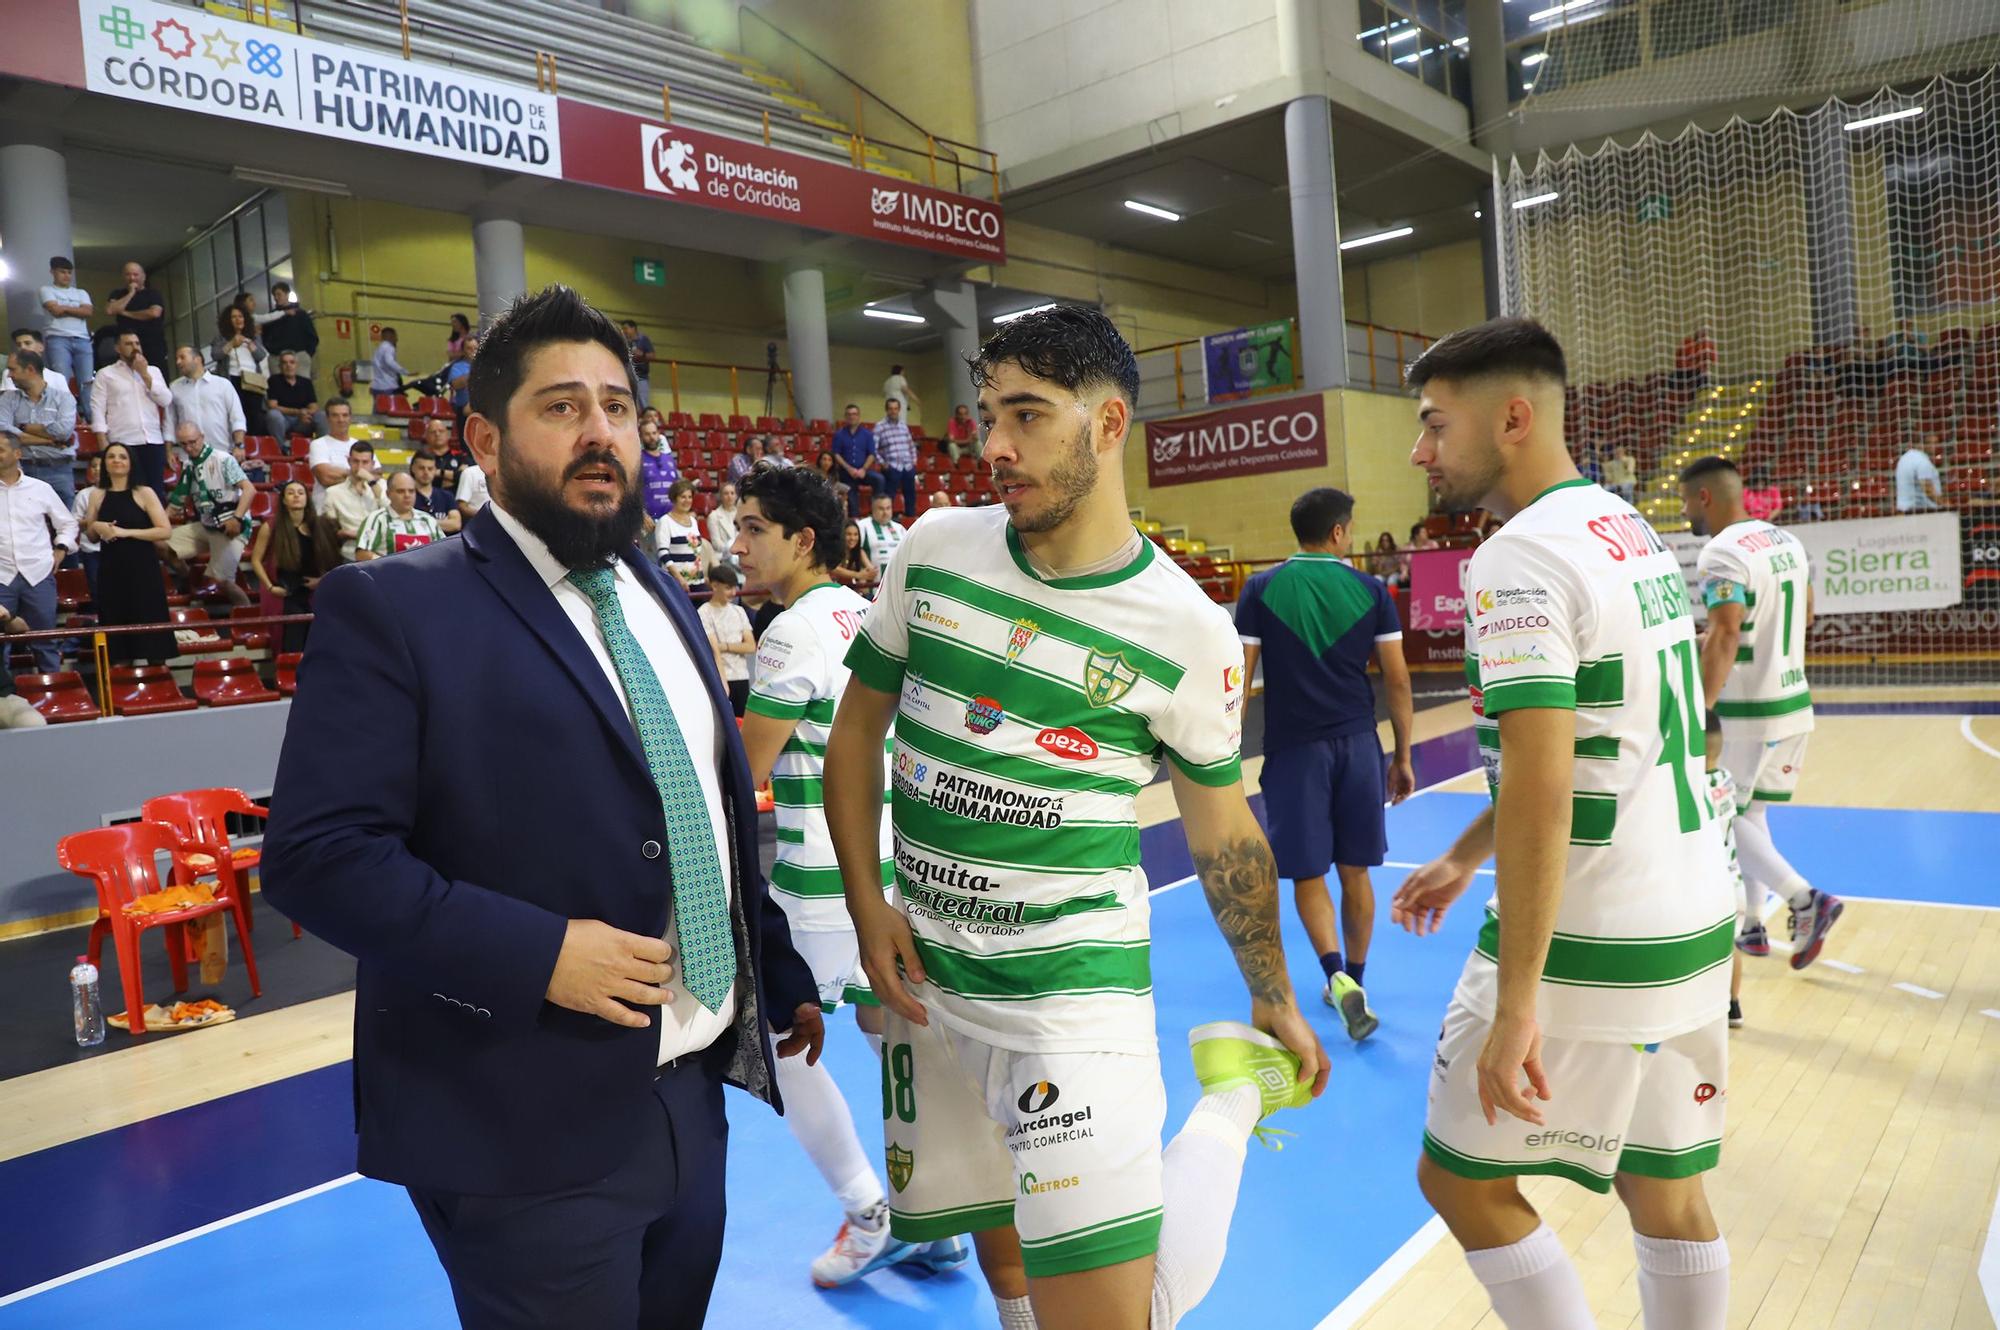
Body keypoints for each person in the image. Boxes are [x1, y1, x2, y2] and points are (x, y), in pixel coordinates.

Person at [261, 284, 822, 1330]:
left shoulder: (657, 590)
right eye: (562, 407)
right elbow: (316, 856)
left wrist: (770, 961)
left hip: (689, 1094)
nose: (601, 431)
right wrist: (541, 954)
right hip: (518, 1125)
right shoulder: (395, 606)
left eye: (616, 405)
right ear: (484, 437)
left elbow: (700, 801)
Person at [822, 305, 1328, 1330]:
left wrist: (1271, 995)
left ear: (1106, 424)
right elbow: (853, 733)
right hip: (927, 982)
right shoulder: (931, 551)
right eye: (983, 416)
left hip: (1070, 1006)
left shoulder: (1186, 627)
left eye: (1026, 415)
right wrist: (866, 903)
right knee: (1007, 1272)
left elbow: (1222, 834)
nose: (993, 445)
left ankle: (1231, 1098)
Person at [1392, 318, 1732, 1330]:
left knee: (1459, 1181)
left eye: (1431, 424)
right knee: (1660, 1186)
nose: (1419, 451)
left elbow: (1544, 786)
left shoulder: (1513, 559)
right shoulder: (1626, 529)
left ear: (1509, 417)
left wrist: (1515, 1004)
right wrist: (1460, 855)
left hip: (1593, 932)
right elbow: (1599, 751)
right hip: (1691, 911)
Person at [729, 460, 967, 1286]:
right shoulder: (867, 615)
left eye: (754, 529)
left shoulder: (791, 631)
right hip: (892, 876)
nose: (738, 545)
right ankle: (933, 1213)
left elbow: (742, 769)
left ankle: (868, 1210)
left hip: (821, 892)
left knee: (781, 1048)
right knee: (892, 1037)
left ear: (804, 540)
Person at [1236, 486, 1414, 1041]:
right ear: (1338, 532)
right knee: (1355, 871)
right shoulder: (1371, 590)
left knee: (1308, 873)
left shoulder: (1260, 589)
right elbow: (1399, 679)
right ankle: (1356, 977)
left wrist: (1223, 751)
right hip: (1359, 745)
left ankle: (1335, 976)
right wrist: (1403, 754)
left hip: (1293, 752)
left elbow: (1238, 679)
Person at [1680, 455, 1841, 972]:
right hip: (1794, 701)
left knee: (1722, 813)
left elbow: (1727, 633)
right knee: (1750, 813)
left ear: (1704, 497)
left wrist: (1700, 710)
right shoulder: (1785, 540)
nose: (1685, 511)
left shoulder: (1721, 552)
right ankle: (1751, 922)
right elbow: (1808, 613)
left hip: (1749, 710)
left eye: (1686, 501)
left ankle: (1804, 899)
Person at [77, 441, 173, 665]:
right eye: (112, 457)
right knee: (116, 629)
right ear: (105, 464)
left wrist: (126, 532)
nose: (117, 460)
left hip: (143, 568)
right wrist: (97, 526)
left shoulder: (144, 492)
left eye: (122, 456)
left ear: (131, 463)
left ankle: (158, 682)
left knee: (151, 629)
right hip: (111, 569)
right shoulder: (96, 495)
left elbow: (165, 531)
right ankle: (121, 686)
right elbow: (91, 535)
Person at [0, 429, 79, 672]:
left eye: (1, 450)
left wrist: (61, 548)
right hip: (1, 576)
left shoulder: (40, 488)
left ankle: (54, 697)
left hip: (38, 573)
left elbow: (68, 523)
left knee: (45, 640)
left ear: (17, 453)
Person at [162, 420, 253, 608]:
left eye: (193, 442)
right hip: (207, 524)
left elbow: (250, 490)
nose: (189, 447)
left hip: (231, 525)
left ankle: (249, 617)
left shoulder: (222, 459)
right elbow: (176, 503)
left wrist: (237, 518)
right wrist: (157, 526)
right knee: (161, 544)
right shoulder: (188, 466)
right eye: (184, 444)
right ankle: (193, 583)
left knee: (224, 582)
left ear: (202, 437)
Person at [1701, 709, 1753, 1029]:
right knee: (1731, 945)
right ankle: (1733, 1004)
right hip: (1734, 879)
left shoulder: (1693, 785)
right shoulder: (1726, 779)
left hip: (1709, 884)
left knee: (1705, 948)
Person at [250, 479, 340, 652]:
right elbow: (255, 560)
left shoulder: (320, 526)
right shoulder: (271, 527)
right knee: (292, 642)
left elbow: (332, 562)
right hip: (285, 593)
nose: (296, 496)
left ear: (307, 498)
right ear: (283, 500)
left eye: (300, 493)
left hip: (314, 592)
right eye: (290, 493)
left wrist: (321, 581)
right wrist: (269, 587)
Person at [91, 332, 173, 499]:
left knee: (155, 492)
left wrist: (145, 375)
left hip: (152, 440)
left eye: (137, 343)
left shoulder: (153, 371)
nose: (135, 348)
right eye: (129, 344)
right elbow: (97, 409)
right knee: (127, 492)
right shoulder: (106, 374)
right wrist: (102, 441)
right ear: (118, 348)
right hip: (123, 442)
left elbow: (165, 400)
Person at [0, 349, 79, 508]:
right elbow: (6, 434)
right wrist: (51, 442)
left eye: (13, 369)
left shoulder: (63, 398)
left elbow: (63, 431)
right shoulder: (7, 399)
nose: (9, 375)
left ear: (30, 369)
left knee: (65, 521)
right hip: (22, 469)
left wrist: (22, 427)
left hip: (58, 469)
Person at [169, 343, 247, 463]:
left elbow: (237, 418)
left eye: (182, 357)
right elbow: (170, 422)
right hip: (188, 458)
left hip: (222, 454)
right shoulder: (174, 388)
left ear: (197, 359)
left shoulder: (223, 385)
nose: (178, 362)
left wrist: (239, 445)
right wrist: (168, 451)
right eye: (177, 359)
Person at [37, 257, 93, 422]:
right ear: (52, 272)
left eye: (69, 272)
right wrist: (77, 309)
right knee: (62, 381)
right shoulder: (46, 290)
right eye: (62, 272)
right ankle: (68, 420)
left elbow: (88, 312)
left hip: (83, 340)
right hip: (58, 339)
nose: (66, 276)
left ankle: (92, 422)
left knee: (87, 383)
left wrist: (65, 308)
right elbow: (55, 310)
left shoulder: (81, 292)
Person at [698, 561, 755, 716]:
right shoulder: (704, 612)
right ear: (715, 586)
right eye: (728, 588)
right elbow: (713, 649)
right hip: (720, 678)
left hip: (742, 676)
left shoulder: (739, 611)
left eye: (735, 587)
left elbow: (751, 646)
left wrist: (724, 646)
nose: (734, 593)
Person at [356, 471, 445, 561]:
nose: (407, 495)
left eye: (411, 491)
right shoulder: (377, 519)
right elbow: (362, 554)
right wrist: (390, 565)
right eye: (401, 491)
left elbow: (444, 551)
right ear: (388, 494)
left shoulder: (428, 520)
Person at [323, 440, 387, 562]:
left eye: (365, 462)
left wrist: (372, 482)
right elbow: (329, 531)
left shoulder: (382, 487)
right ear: (348, 461)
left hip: (380, 553)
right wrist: (342, 533)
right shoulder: (333, 493)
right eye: (355, 461)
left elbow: (391, 512)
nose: (359, 467)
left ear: (372, 464)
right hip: (350, 554)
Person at [211, 305, 270, 429]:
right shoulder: (221, 338)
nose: (238, 320)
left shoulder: (253, 336)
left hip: (252, 378)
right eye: (234, 317)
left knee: (255, 413)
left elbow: (261, 355)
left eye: (240, 316)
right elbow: (216, 355)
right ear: (228, 320)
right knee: (237, 411)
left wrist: (250, 344)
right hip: (232, 377)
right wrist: (232, 343)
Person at [105, 260, 168, 367]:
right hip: (128, 345)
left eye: (135, 275)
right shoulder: (117, 294)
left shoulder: (153, 294)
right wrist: (131, 293)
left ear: (143, 276)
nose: (132, 278)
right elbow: (110, 310)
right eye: (128, 275)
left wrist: (125, 313)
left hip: (153, 344)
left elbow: (154, 313)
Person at [655, 478, 711, 592]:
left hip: (698, 582)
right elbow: (663, 554)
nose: (687, 500)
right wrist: (679, 578)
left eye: (689, 497)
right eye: (683, 497)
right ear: (674, 498)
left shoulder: (693, 521)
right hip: (677, 584)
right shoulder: (665, 521)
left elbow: (696, 552)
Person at [256, 281, 319, 381]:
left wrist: (306, 354)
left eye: (279, 294)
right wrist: (272, 351)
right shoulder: (271, 316)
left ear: (287, 294)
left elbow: (311, 336)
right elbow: (265, 336)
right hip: (276, 358)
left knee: (301, 386)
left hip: (299, 355)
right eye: (274, 295)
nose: (276, 297)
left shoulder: (301, 314)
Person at [830, 403, 883, 515]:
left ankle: (877, 509)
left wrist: (863, 469)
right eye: (849, 414)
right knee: (852, 498)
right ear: (845, 417)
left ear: (859, 416)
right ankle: (855, 517)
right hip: (846, 472)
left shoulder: (867, 434)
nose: (851, 417)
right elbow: (836, 454)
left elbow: (872, 454)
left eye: (854, 414)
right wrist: (849, 469)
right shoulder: (839, 434)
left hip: (863, 471)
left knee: (879, 479)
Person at [872, 397, 918, 519]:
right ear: (886, 410)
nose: (893, 411)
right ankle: (888, 520)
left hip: (907, 466)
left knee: (910, 495)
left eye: (896, 408)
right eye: (891, 409)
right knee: (889, 496)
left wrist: (913, 460)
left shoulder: (903, 426)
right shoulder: (880, 426)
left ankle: (910, 519)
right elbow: (873, 449)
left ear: (899, 410)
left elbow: (911, 445)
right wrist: (883, 463)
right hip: (892, 467)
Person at [308, 400, 360, 506]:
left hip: (356, 509)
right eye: (335, 415)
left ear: (350, 418)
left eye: (345, 415)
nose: (341, 420)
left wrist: (342, 474)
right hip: (326, 510)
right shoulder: (318, 444)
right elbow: (326, 478)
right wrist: (358, 476)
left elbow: (375, 474)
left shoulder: (359, 445)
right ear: (327, 419)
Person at [265, 351, 323, 440]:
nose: (288, 365)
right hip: (283, 420)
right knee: (273, 415)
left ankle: (323, 448)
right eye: (284, 363)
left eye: (292, 362)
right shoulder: (273, 380)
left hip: (302, 421)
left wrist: (305, 413)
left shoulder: (306, 382)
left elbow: (314, 407)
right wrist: (298, 412)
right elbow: (272, 406)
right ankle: (279, 450)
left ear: (297, 365)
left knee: (322, 415)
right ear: (280, 366)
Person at [72, 453, 106, 601]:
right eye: (93, 466)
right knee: (96, 588)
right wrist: (93, 522)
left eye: (101, 466)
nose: (97, 469)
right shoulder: (84, 495)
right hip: (91, 550)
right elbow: (74, 521)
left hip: (115, 548)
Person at [409, 453, 462, 534]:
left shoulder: (447, 496)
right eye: (421, 468)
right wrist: (443, 523)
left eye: (430, 468)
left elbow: (456, 524)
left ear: (435, 470)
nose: (426, 472)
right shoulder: (407, 495)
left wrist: (422, 522)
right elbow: (407, 523)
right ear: (413, 469)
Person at [638, 416, 679, 520]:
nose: (652, 437)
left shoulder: (669, 459)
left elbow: (677, 489)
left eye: (654, 433)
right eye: (647, 434)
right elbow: (631, 492)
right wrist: (642, 515)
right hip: (649, 520)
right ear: (641, 437)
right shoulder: (637, 460)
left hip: (672, 519)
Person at [417, 415, 469, 494]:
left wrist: (440, 473)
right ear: (426, 436)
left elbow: (465, 477)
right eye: (433, 432)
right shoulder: (421, 456)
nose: (437, 434)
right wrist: (452, 477)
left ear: (448, 435)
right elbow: (419, 478)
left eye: (441, 431)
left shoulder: (460, 456)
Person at [858, 491, 906, 572]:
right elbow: (857, 548)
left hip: (897, 576)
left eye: (888, 508)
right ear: (873, 509)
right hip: (873, 579)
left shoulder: (899, 528)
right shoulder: (863, 525)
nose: (885, 512)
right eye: (881, 509)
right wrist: (869, 566)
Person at [1894, 439, 1943, 512]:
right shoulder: (1922, 461)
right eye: (1932, 443)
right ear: (1922, 444)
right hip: (1921, 511)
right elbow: (1927, 489)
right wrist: (1942, 504)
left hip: (1904, 510)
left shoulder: (1904, 458)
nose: (1935, 446)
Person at [831, 519, 875, 593]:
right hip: (831, 590)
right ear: (842, 535)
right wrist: (858, 575)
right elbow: (834, 568)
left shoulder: (859, 552)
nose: (852, 538)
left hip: (849, 592)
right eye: (848, 534)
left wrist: (866, 574)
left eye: (855, 534)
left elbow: (871, 570)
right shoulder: (835, 550)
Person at [621, 319, 656, 412]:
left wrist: (642, 354)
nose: (624, 331)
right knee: (629, 402)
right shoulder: (623, 341)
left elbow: (652, 355)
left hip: (641, 377)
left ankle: (646, 423)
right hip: (627, 377)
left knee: (643, 402)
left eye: (626, 328)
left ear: (633, 328)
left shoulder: (644, 340)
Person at [705, 480, 740, 565]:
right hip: (722, 557)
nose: (729, 496)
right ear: (721, 496)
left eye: (732, 493)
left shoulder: (741, 514)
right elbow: (716, 543)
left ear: (736, 496)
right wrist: (732, 550)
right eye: (726, 493)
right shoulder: (714, 516)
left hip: (740, 554)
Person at [371, 326, 408, 395]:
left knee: (378, 405)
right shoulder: (389, 347)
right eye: (395, 336)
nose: (397, 339)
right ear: (391, 336)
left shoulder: (378, 349)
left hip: (376, 387)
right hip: (388, 386)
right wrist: (405, 372)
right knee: (393, 405)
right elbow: (390, 362)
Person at [812, 447, 849, 514]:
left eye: (829, 460)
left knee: (844, 502)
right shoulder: (814, 474)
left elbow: (839, 489)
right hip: (817, 502)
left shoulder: (833, 476)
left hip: (830, 502)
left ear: (832, 463)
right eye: (824, 459)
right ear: (820, 461)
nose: (826, 462)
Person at [456, 459, 491, 524]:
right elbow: (462, 506)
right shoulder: (470, 473)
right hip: (478, 524)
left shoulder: (507, 474)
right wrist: (487, 516)